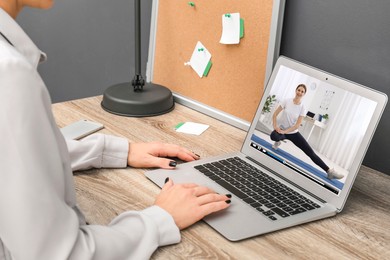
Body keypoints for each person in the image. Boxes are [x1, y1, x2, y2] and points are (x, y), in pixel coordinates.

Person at [0, 1, 231, 259]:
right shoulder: (9, 75)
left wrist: (116, 150)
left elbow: (14, 157)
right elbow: (60, 254)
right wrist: (160, 219)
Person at [270, 84, 344, 180]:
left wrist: (285, 131)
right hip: (281, 130)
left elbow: (297, 125)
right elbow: (275, 114)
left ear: (304, 94)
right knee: (273, 136)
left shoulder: (302, 107)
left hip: (293, 133)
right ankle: (278, 140)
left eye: (302, 91)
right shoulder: (286, 101)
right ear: (295, 90)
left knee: (310, 153)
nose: (300, 92)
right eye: (299, 90)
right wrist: (276, 126)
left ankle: (329, 171)